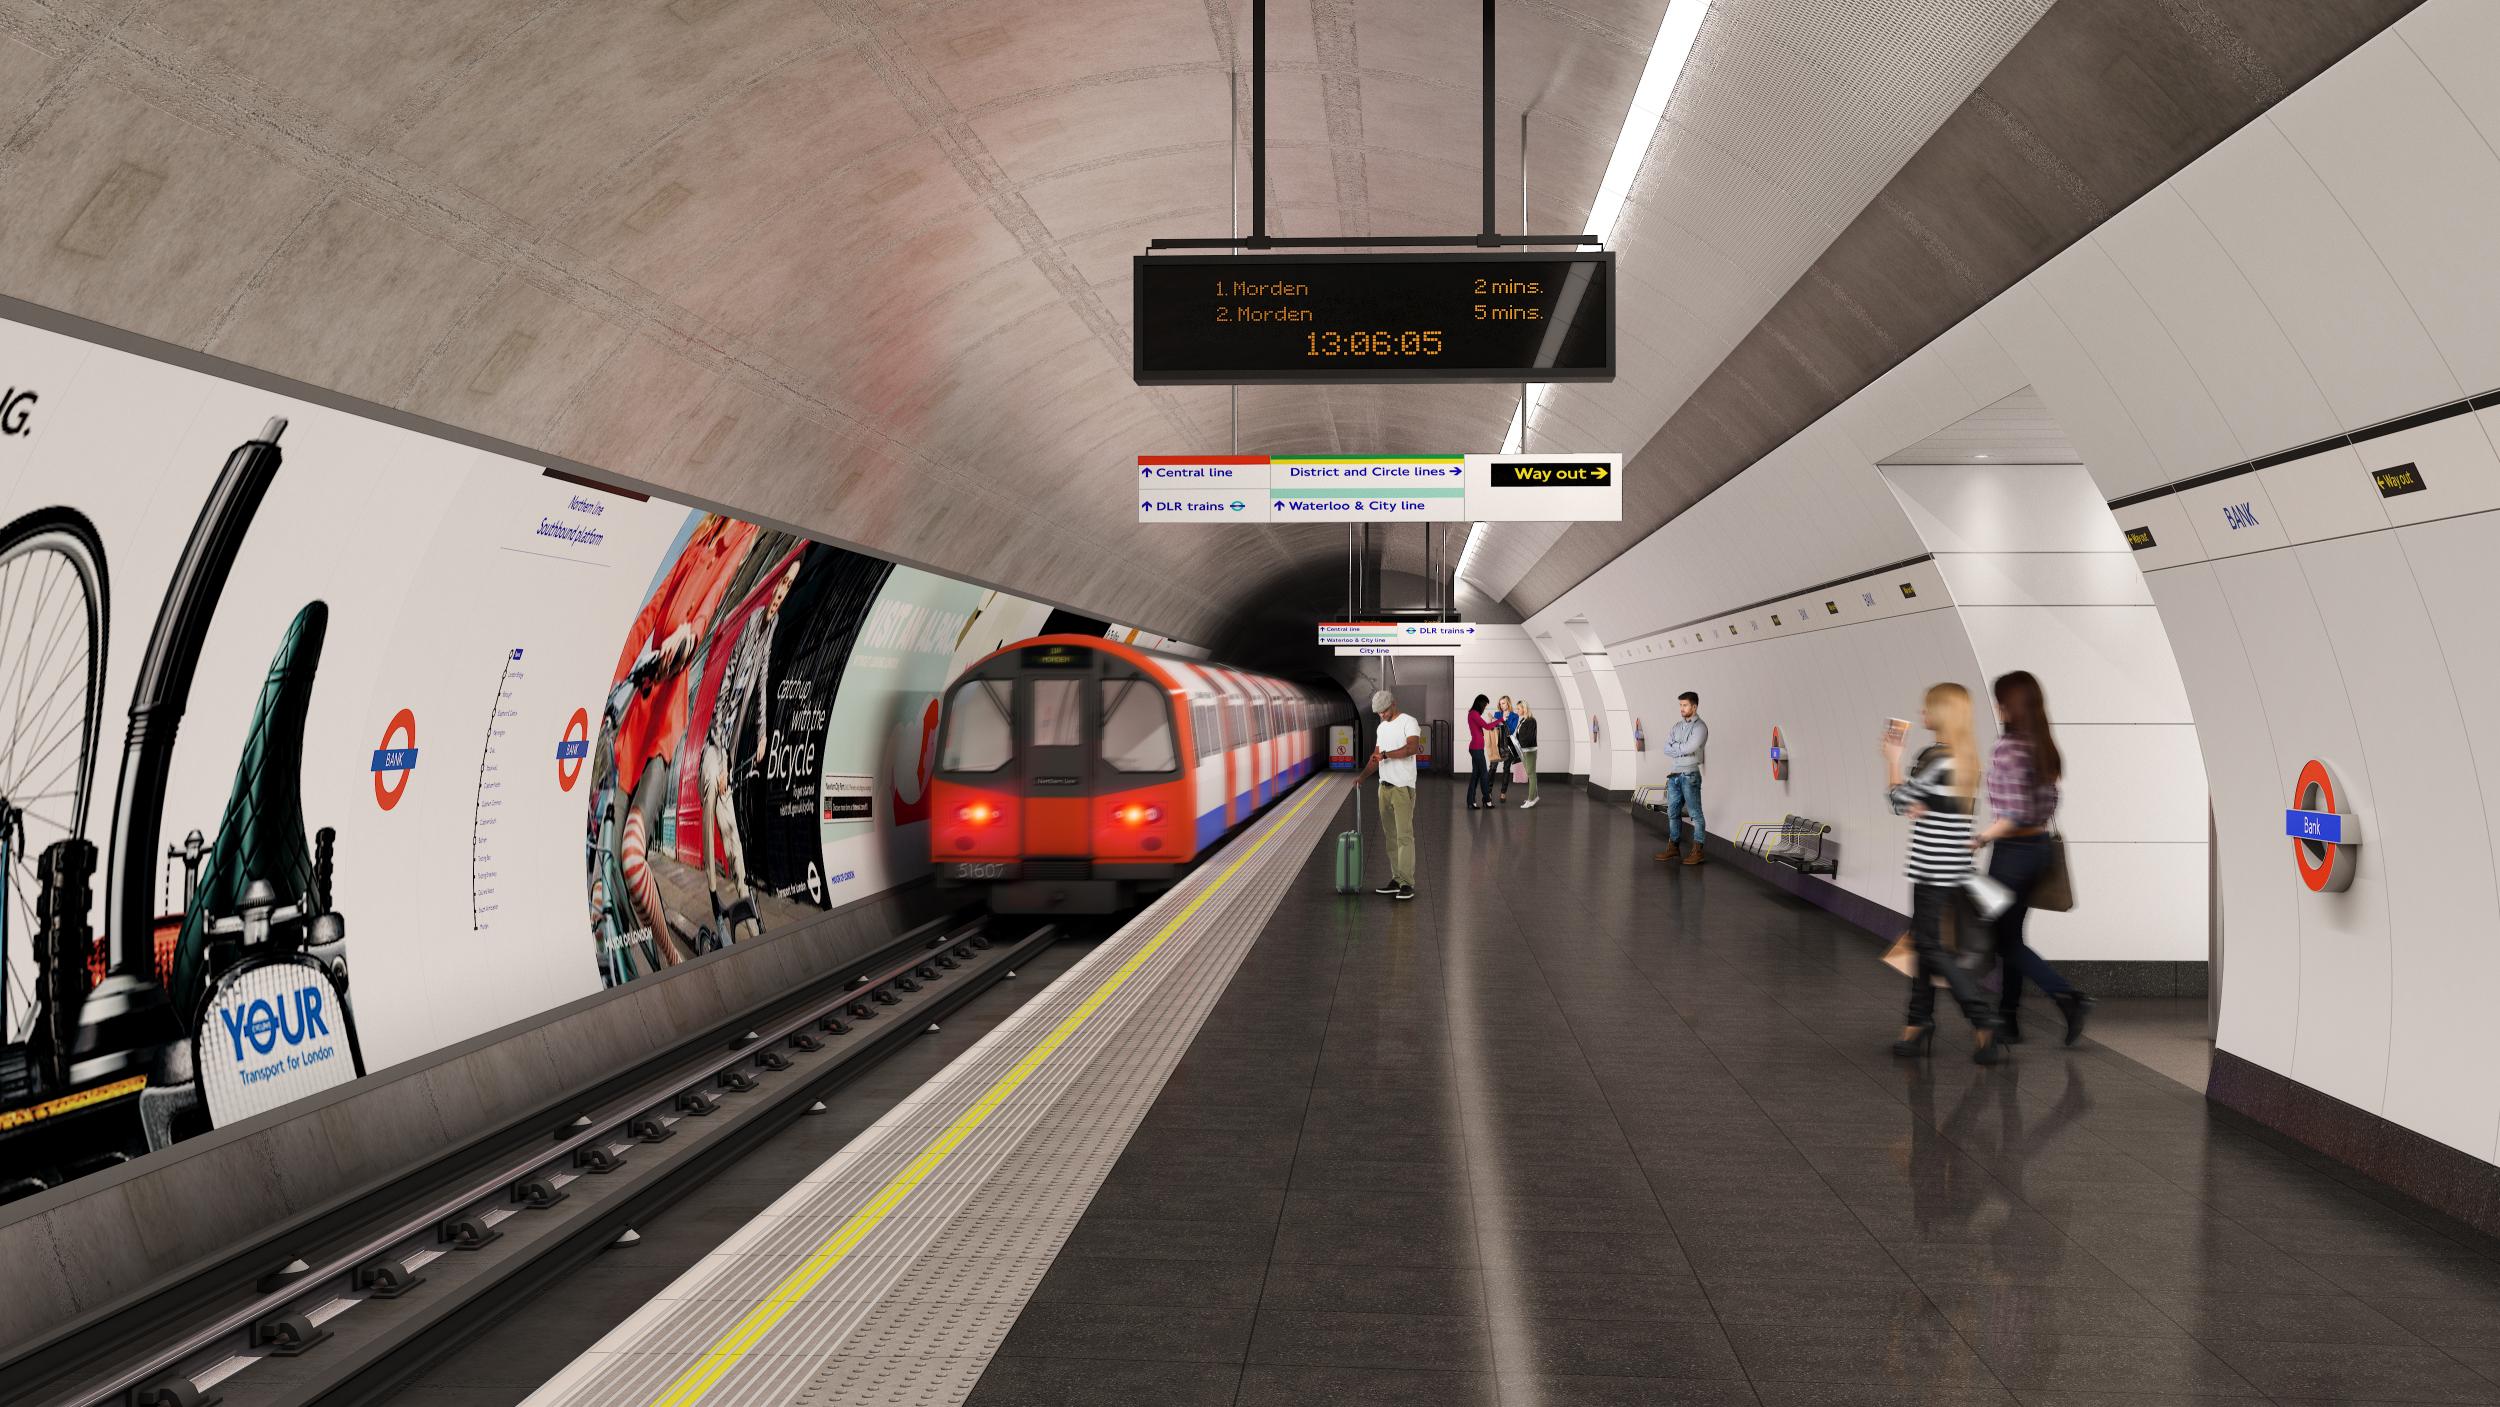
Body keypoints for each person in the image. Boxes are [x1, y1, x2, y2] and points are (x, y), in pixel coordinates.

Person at [1882, 684, 2006, 1066]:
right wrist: (1916, 800)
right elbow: (1923, 805)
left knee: (1931, 947)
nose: (1922, 716)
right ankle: (1917, 1023)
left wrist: (1892, 760)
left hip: (1931, 867)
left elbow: (1898, 801)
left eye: (1928, 709)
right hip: (1953, 867)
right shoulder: (1965, 760)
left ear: (1944, 714)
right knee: (1923, 944)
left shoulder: (1938, 761)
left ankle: (1982, 1019)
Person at [1977, 670, 2095, 1045]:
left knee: (2000, 939)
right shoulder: (2042, 745)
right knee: (2011, 935)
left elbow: (2012, 814)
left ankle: (2066, 996)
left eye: (2000, 701)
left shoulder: (2008, 748)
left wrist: (1979, 838)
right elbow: (2048, 803)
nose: (1997, 708)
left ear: (2010, 707)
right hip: (2039, 850)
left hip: (2011, 853)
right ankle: (2008, 1020)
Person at [698, 556, 800, 946]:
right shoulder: (754, 619)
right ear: (774, 580)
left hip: (730, 747)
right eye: (781, 585)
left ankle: (747, 913)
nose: (781, 595)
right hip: (712, 749)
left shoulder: (771, 626)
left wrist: (762, 735)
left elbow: (761, 684)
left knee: (732, 835)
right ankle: (712, 899)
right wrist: (721, 755)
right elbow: (726, 690)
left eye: (789, 588)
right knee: (710, 818)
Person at [1354, 689, 1424, 900]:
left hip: (1403, 788)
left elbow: (1412, 748)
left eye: (1384, 711)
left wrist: (1386, 754)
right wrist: (1362, 777)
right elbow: (1376, 758)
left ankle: (1407, 883)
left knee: (1404, 836)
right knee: (1391, 837)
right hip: (1383, 787)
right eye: (1378, 713)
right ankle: (1396, 879)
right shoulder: (1381, 728)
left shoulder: (1409, 722)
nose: (1381, 715)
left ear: (1393, 704)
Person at [1653, 691, 1709, 865]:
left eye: (1685, 705)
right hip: (1674, 775)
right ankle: (1673, 847)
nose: (1682, 708)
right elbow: (1665, 748)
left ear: (1694, 706)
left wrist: (1676, 747)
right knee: (1673, 812)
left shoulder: (1700, 727)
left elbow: (1692, 746)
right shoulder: (1677, 726)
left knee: (1695, 813)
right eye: (1680, 705)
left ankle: (1698, 850)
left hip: (1690, 774)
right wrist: (1681, 748)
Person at [1464, 693, 1495, 809]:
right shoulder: (1474, 714)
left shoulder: (1473, 714)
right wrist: (1501, 719)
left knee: (1476, 775)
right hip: (1476, 748)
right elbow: (1487, 726)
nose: (1485, 708)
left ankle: (1471, 801)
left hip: (1477, 748)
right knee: (1484, 774)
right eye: (1485, 705)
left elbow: (1484, 727)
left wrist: (1494, 723)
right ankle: (1487, 800)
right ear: (1480, 703)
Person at [1493, 695, 1521, 804]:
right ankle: (1489, 792)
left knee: (1506, 769)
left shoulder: (1514, 716)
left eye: (1503, 703)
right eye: (1500, 703)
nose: (1501, 705)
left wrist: (1503, 721)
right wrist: (1500, 719)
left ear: (1508, 703)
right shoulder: (1497, 714)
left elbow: (1510, 731)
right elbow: (1495, 729)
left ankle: (1503, 793)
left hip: (1508, 746)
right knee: (1492, 767)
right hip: (1497, 744)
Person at [1515, 703, 1540, 808]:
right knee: (1530, 773)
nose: (1517, 710)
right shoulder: (1522, 720)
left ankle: (1530, 799)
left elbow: (1529, 736)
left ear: (1524, 709)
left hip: (1529, 750)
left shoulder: (1531, 720)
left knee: (1531, 774)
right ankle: (1535, 796)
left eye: (1518, 708)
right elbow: (1519, 734)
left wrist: (1519, 741)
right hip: (1524, 750)